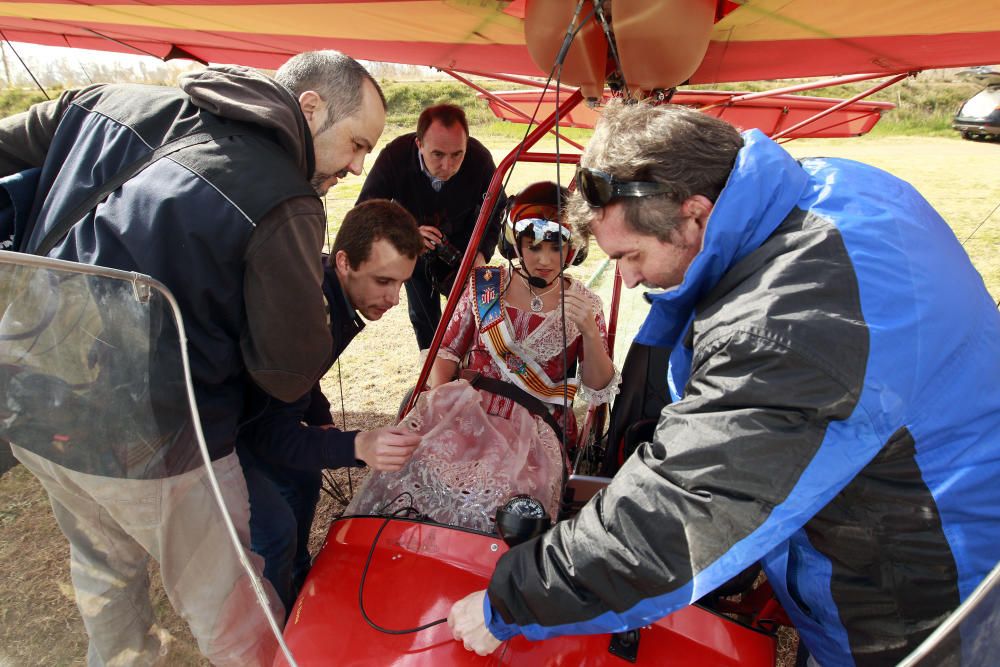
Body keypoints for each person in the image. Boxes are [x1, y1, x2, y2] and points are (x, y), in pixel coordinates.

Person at [447, 103, 1000, 666]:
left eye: (631, 256)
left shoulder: (786, 325)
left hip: (931, 601)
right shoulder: (834, 187)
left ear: (695, 215)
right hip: (918, 525)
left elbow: (682, 511)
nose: (629, 279)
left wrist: (511, 602)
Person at [0, 50, 386, 665]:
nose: (358, 165)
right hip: (164, 449)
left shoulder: (108, 100)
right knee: (236, 614)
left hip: (39, 413)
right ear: (309, 109)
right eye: (356, 143)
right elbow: (287, 372)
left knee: (104, 573)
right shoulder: (285, 198)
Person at [348, 182, 619, 532]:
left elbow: (598, 389)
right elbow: (446, 352)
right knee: (414, 460)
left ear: (573, 249)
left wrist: (590, 333)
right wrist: (436, 410)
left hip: (535, 425)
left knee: (516, 493)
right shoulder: (485, 285)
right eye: (533, 246)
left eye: (557, 247)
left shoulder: (585, 305)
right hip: (465, 405)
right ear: (515, 243)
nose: (545, 259)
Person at [236, 198, 424, 613]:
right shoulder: (306, 314)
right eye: (382, 281)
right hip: (226, 426)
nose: (393, 299)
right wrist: (356, 445)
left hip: (262, 412)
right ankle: (272, 624)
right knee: (275, 530)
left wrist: (320, 422)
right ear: (343, 262)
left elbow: (305, 379)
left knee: (303, 482)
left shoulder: (338, 297)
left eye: (401, 284)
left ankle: (298, 583)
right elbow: (267, 432)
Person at [356, 103, 504, 351]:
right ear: (419, 145)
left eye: (458, 154)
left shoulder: (479, 159)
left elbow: (498, 209)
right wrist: (405, 236)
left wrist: (481, 253)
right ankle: (433, 378)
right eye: (437, 154)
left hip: (463, 251)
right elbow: (364, 212)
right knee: (424, 319)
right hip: (414, 251)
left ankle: (466, 372)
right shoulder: (395, 157)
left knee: (472, 317)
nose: (448, 166)